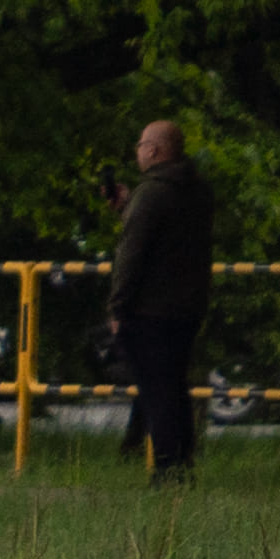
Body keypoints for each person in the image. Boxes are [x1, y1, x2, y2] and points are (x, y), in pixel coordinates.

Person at [109, 118, 219, 484]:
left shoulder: (152, 193)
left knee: (157, 391)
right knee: (175, 386)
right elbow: (173, 236)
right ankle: (182, 462)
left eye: (142, 145)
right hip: (188, 306)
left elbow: (132, 254)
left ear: (155, 150)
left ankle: (167, 468)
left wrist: (118, 306)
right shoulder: (198, 191)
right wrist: (128, 207)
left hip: (149, 309)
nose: (138, 151)